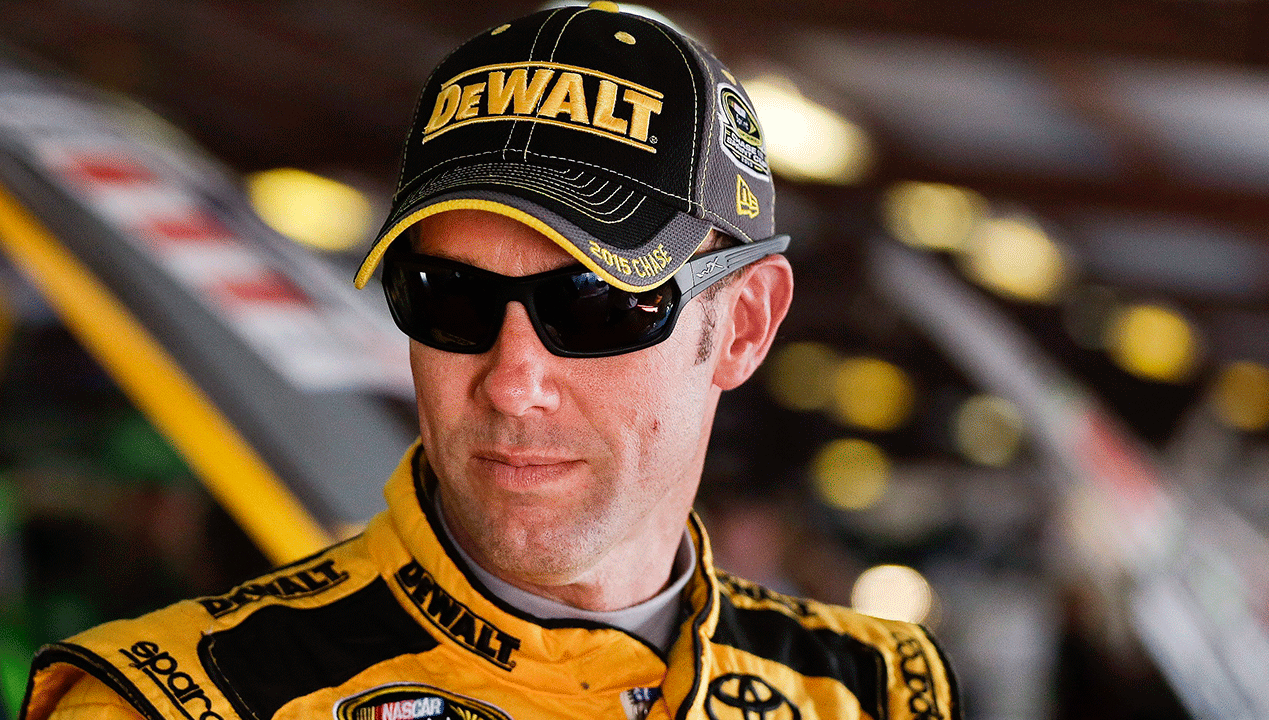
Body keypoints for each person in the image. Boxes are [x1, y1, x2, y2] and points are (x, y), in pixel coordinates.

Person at [21, 3, 959, 719]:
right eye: (449, 297)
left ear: (745, 324)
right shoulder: (172, 700)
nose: (512, 382)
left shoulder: (875, 689)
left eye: (596, 303)